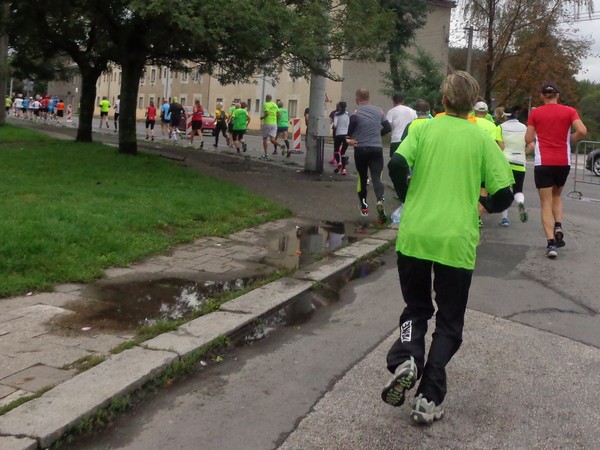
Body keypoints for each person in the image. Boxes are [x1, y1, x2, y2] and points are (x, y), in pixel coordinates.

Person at [382, 71, 514, 425]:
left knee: (415, 308)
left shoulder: (422, 128)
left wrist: (408, 196)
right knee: (449, 322)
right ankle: (428, 397)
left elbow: (396, 163)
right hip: (456, 240)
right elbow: (505, 193)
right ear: (473, 105)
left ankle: (407, 357)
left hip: (416, 235)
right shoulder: (481, 138)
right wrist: (482, 205)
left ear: (443, 100)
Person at [525, 82, 587, 258]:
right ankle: (558, 224)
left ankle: (551, 243)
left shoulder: (536, 113)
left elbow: (528, 137)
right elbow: (582, 131)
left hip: (543, 162)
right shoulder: (569, 111)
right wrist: (570, 139)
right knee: (557, 196)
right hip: (563, 161)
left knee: (545, 203)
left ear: (542, 96)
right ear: (557, 95)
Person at [345, 88, 392, 224]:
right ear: (368, 97)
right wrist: (377, 134)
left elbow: (353, 121)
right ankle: (379, 200)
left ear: (357, 98)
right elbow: (388, 128)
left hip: (361, 148)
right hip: (376, 148)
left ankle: (364, 207)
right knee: (377, 178)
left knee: (362, 178)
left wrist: (348, 137)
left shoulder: (355, 111)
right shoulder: (379, 111)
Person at [499, 105, 528, 226]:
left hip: (505, 161)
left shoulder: (500, 127)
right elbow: (531, 145)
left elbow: (501, 146)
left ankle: (505, 219)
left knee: (505, 190)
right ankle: (520, 202)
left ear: (505, 116)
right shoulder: (524, 128)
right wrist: (522, 153)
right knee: (518, 190)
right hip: (520, 161)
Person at [387, 93, 417, 158]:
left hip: (396, 139)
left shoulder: (391, 112)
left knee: (394, 160)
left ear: (393, 101)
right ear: (403, 101)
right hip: (408, 139)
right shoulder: (412, 111)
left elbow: (388, 126)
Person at [261, 94, 281, 159]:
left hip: (267, 123)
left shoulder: (266, 104)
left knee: (265, 138)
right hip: (274, 123)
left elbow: (267, 114)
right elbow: (279, 114)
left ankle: (266, 154)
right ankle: (281, 146)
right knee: (272, 139)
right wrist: (274, 118)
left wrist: (262, 117)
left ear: (266, 98)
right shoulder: (275, 105)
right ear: (271, 98)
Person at [333, 101, 350, 174]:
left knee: (336, 150)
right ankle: (343, 169)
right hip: (346, 135)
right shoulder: (348, 114)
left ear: (339, 106)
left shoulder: (336, 114)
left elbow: (335, 125)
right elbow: (349, 124)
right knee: (343, 152)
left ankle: (339, 163)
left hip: (338, 134)